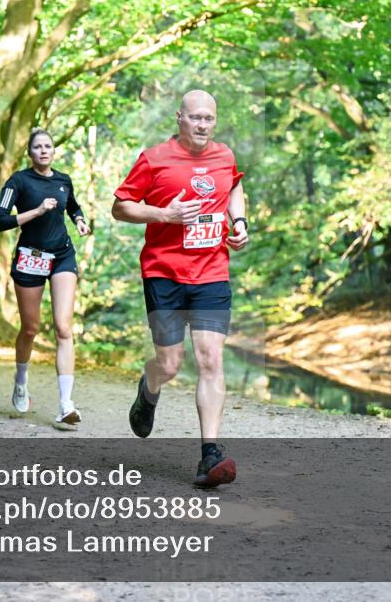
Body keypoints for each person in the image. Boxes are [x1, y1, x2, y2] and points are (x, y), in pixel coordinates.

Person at [112, 90, 249, 488]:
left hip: (211, 273)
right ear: (180, 118)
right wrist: (164, 214)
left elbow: (235, 187)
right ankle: (149, 386)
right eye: (195, 118)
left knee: (210, 360)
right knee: (169, 364)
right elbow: (121, 206)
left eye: (209, 118)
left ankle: (210, 454)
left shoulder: (224, 155)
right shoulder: (154, 158)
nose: (203, 125)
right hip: (164, 274)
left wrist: (238, 223)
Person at [0, 128, 91, 427]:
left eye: (48, 146)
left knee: (64, 328)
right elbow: (0, 221)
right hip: (30, 258)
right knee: (30, 328)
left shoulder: (63, 180)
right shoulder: (18, 182)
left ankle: (65, 404)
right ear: (30, 152)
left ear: (53, 150)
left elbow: (72, 204)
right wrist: (36, 211)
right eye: (38, 147)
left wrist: (79, 220)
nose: (44, 151)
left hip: (62, 255)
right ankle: (21, 379)